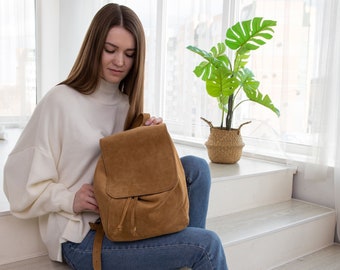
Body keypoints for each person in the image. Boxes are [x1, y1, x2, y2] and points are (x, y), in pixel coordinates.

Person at [3, 3, 228, 270]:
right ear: (94, 47)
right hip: (81, 237)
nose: (119, 61)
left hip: (121, 220)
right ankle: (184, 254)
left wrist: (149, 141)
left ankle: (177, 254)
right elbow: (17, 182)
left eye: (129, 54)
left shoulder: (125, 105)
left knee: (197, 169)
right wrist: (69, 198)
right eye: (110, 50)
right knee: (206, 245)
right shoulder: (59, 101)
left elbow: (128, 181)